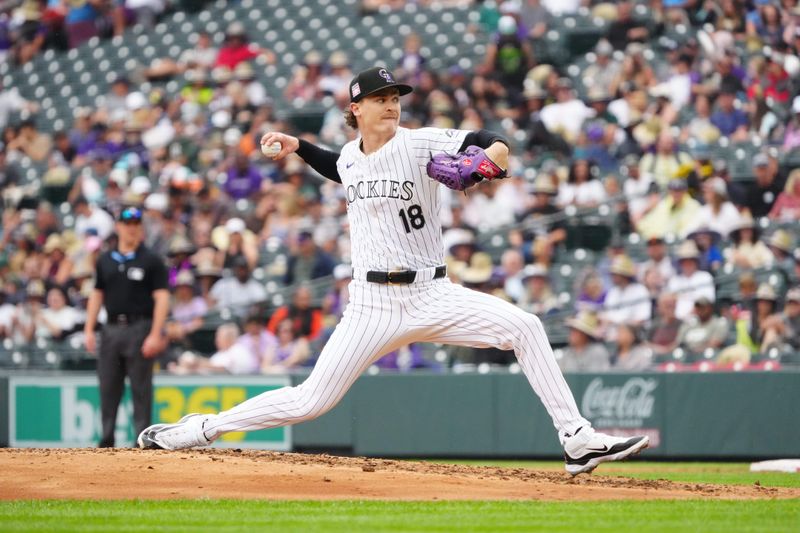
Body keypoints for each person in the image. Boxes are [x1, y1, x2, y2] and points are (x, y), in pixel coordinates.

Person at [138, 65, 648, 475]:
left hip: (433, 292)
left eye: (395, 96)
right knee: (310, 400)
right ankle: (202, 429)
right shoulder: (349, 157)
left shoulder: (420, 142)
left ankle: (577, 439)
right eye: (380, 97)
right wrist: (298, 147)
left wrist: (481, 162)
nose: (391, 103)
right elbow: (336, 165)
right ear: (355, 109)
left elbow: (492, 139)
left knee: (526, 327)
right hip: (372, 305)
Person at [84, 206, 169, 448]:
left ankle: (142, 439)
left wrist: (155, 333)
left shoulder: (151, 260)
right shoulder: (105, 260)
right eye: (127, 224)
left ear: (140, 228)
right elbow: (97, 294)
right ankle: (107, 438)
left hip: (139, 328)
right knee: (108, 386)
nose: (132, 228)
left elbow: (162, 298)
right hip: (110, 329)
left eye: (136, 224)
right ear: (118, 226)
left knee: (141, 388)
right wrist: (89, 329)